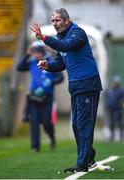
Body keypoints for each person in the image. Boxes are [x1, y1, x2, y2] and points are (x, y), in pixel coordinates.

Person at [30, 8, 102, 172]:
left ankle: (82, 164)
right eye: (53, 20)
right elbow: (60, 64)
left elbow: (68, 46)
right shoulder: (61, 38)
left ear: (66, 21)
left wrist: (45, 38)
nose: (54, 24)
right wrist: (47, 65)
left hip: (87, 84)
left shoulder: (78, 33)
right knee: (77, 125)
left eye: (57, 20)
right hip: (76, 86)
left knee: (83, 125)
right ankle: (89, 158)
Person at [17, 41, 64, 152]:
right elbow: (19, 67)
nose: (36, 54)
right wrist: (27, 54)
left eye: (38, 52)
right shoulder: (32, 62)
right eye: (34, 52)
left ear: (42, 52)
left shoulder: (50, 62)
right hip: (33, 97)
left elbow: (60, 78)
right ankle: (35, 146)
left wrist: (51, 81)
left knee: (46, 122)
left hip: (47, 97)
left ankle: (52, 137)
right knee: (34, 122)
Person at [104, 76, 124, 141]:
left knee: (119, 122)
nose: (115, 84)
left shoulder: (121, 91)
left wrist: (121, 106)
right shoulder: (110, 90)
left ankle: (121, 135)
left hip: (118, 108)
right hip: (110, 108)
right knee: (111, 122)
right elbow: (106, 98)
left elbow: (122, 100)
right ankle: (112, 136)